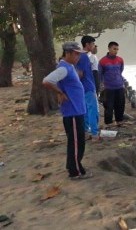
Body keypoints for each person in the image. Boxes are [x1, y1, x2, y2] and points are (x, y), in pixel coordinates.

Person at [42, 42, 92, 180]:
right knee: (76, 142)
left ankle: (74, 166)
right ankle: (75, 171)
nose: (78, 57)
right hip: (72, 112)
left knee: (78, 141)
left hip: (77, 111)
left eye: (79, 54)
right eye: (76, 54)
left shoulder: (69, 67)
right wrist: (59, 92)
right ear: (68, 53)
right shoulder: (63, 68)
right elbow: (47, 81)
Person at [77, 35, 100, 141]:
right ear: (87, 45)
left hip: (83, 87)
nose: (94, 46)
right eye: (93, 44)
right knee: (92, 110)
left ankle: (86, 131)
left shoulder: (79, 56)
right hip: (88, 86)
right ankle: (95, 133)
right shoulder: (84, 56)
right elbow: (80, 74)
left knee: (85, 110)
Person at [99, 41, 126, 127]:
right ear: (109, 48)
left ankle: (119, 121)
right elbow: (100, 74)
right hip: (108, 87)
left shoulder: (120, 60)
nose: (116, 51)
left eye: (117, 49)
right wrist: (102, 85)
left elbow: (121, 70)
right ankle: (108, 123)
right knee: (109, 106)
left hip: (119, 86)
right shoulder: (102, 61)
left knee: (120, 105)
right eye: (114, 49)